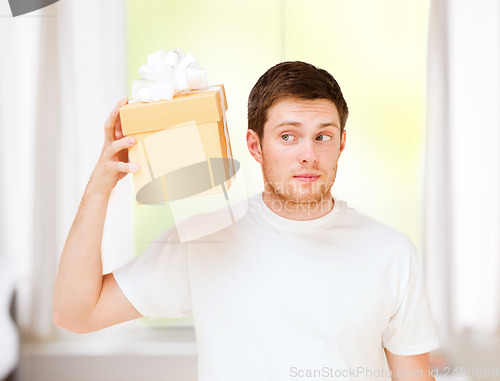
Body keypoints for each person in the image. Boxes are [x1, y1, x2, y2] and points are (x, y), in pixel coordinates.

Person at [53, 61, 440, 381]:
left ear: (341, 143)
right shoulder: (203, 240)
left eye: (323, 137)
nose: (308, 154)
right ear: (255, 146)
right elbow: (76, 313)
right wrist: (100, 186)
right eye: (288, 136)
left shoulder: (391, 252)